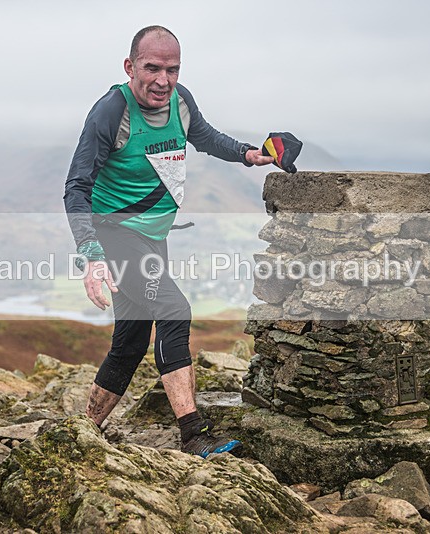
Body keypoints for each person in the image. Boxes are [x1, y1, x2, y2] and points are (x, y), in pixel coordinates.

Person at [63, 25, 273, 458]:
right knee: (174, 310)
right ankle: (193, 434)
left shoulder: (180, 100)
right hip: (113, 233)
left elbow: (206, 136)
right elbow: (76, 187)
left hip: (151, 239)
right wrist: (91, 255)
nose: (163, 80)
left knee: (132, 339)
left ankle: (80, 434)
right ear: (130, 66)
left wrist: (249, 153)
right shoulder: (110, 112)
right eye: (152, 68)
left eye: (172, 69)